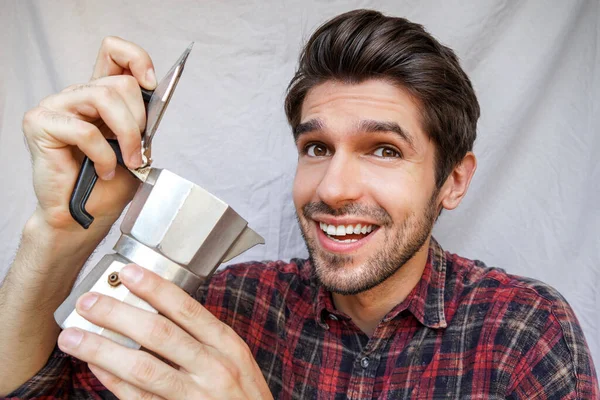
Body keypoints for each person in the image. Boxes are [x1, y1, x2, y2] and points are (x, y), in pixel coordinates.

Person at [0, 9, 597, 399]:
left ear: (453, 182)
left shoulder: (523, 333)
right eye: (316, 146)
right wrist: (56, 232)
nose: (333, 188)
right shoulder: (227, 304)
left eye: (384, 150)